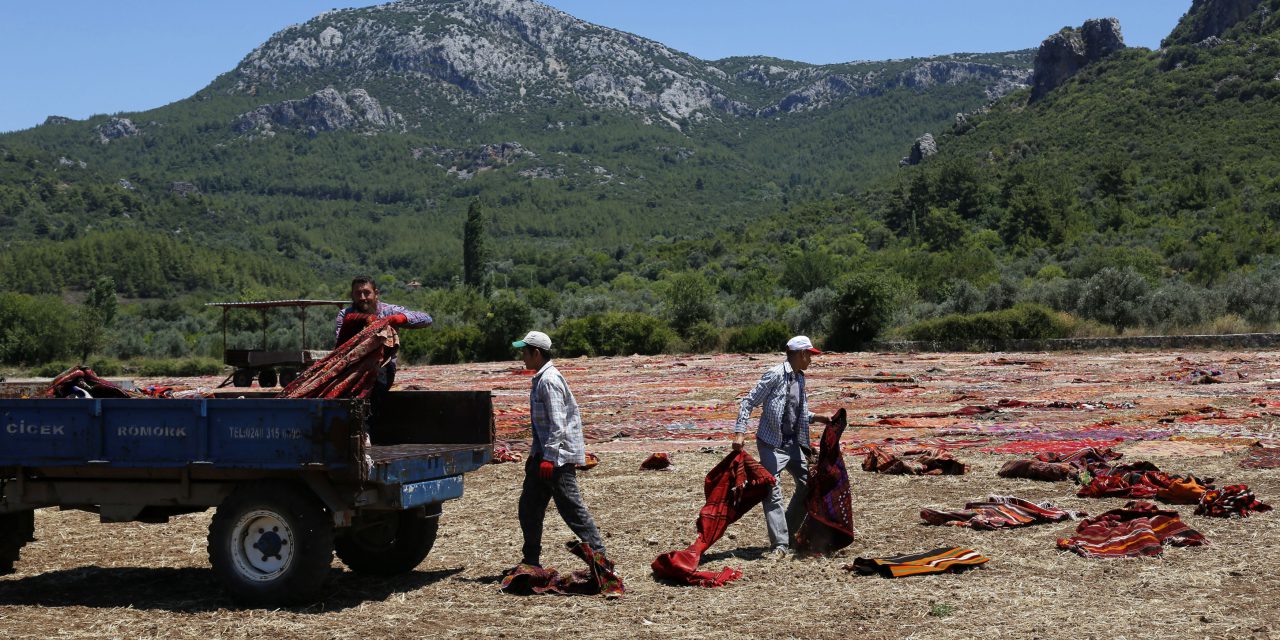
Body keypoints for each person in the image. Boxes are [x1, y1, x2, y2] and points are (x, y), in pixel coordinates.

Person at [512, 330, 608, 567]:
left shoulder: (550, 381)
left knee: (573, 512)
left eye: (524, 352)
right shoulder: (541, 378)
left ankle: (601, 562)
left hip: (557, 460)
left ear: (536, 353)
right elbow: (541, 427)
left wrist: (549, 458)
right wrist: (535, 454)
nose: (522, 357)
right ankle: (531, 561)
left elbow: (558, 424)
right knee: (529, 508)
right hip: (543, 457)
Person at [732, 335, 831, 557]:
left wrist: (819, 417)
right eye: (810, 355)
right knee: (772, 490)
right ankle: (780, 545)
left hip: (793, 444)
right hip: (771, 444)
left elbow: (797, 412)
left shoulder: (800, 378)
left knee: (808, 484)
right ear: (802, 354)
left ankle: (786, 530)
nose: (811, 360)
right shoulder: (775, 375)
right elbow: (748, 402)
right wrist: (739, 433)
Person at [333, 275, 433, 407]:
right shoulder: (345, 315)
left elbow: (426, 318)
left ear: (376, 293)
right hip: (353, 368)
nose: (362, 297)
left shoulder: (388, 311)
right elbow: (340, 342)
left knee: (375, 394)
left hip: (383, 370)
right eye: (358, 293)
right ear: (352, 295)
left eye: (367, 293)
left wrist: (398, 319)